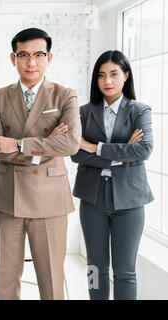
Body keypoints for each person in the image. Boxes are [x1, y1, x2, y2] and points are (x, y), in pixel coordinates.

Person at [0, 27, 81, 300]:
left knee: (51, 281)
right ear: (13, 59)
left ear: (49, 58)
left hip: (49, 199)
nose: (31, 62)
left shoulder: (64, 95)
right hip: (7, 198)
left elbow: (71, 144)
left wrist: (17, 144)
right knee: (4, 279)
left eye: (39, 54)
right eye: (23, 55)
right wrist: (47, 142)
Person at [71, 50, 153, 300]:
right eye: (101, 75)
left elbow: (144, 149)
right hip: (93, 199)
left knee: (125, 271)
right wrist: (124, 151)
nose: (107, 81)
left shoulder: (139, 110)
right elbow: (76, 153)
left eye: (114, 74)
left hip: (129, 201)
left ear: (126, 76)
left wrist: (96, 147)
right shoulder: (84, 112)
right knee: (95, 267)